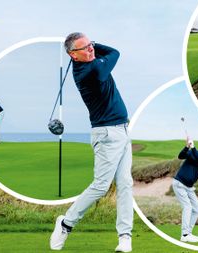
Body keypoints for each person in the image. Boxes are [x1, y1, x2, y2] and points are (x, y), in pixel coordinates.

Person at [50, 32, 133, 252]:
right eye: (84, 48)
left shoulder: (90, 61)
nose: (91, 49)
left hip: (122, 130)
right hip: (107, 134)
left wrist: (90, 45)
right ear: (73, 56)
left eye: (90, 44)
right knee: (101, 186)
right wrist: (95, 45)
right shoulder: (91, 70)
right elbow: (115, 52)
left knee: (125, 184)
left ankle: (125, 236)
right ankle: (66, 223)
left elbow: (103, 53)